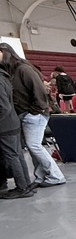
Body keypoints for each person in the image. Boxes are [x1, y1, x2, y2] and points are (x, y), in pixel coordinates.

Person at [0, 43, 66, 188]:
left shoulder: (23, 69)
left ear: (6, 53)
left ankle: (56, 175)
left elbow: (39, 91)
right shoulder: (13, 71)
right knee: (33, 147)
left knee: (34, 146)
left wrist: (35, 110)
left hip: (34, 114)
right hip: (28, 114)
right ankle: (40, 176)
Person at [0, 58, 35, 199]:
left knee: (12, 156)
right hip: (12, 121)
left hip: (5, 124)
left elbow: (3, 107)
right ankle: (26, 184)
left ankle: (22, 188)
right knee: (18, 154)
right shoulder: (5, 77)